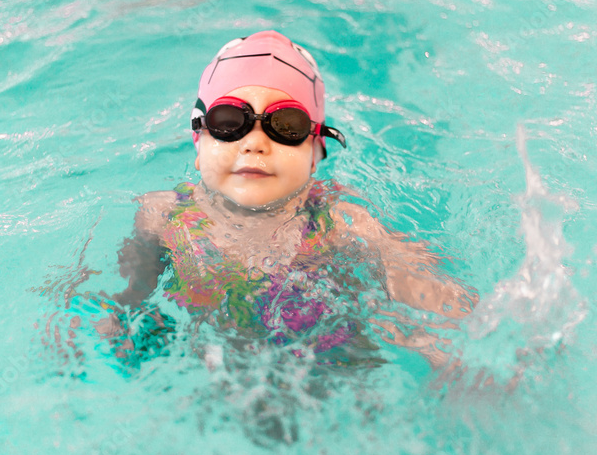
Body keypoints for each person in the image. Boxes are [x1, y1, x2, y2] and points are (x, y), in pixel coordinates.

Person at [100, 30, 476, 370]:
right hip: (208, 367)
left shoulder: (339, 220)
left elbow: (431, 300)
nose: (255, 143)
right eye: (229, 121)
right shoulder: (163, 214)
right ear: (199, 142)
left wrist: (456, 360)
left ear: (316, 153)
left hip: (324, 370)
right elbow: (133, 293)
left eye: (287, 126)